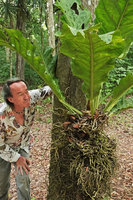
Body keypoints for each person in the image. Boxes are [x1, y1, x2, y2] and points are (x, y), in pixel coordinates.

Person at [0, 78, 52, 200]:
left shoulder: (31, 97)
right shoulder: (2, 116)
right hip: (3, 149)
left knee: (23, 180)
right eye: (20, 94)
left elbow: (48, 90)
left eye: (26, 91)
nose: (26, 97)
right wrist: (17, 158)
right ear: (11, 99)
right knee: (1, 183)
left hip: (22, 144)